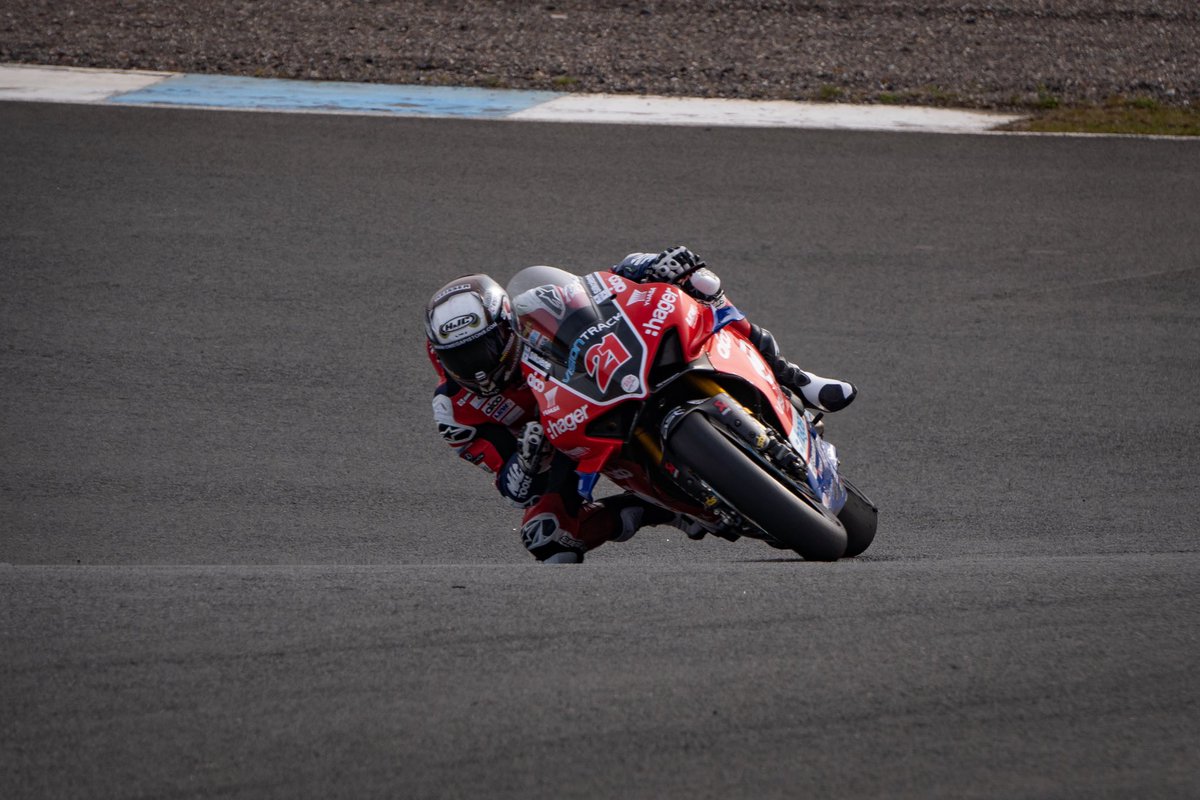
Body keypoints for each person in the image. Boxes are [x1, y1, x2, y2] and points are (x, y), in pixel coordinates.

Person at [424, 247, 856, 563]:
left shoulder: (534, 308)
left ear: (506, 324)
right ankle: (659, 512)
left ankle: (797, 377)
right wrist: (526, 458)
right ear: (438, 357)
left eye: (485, 348)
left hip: (610, 378)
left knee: (700, 285)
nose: (479, 369)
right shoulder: (457, 412)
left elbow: (598, 286)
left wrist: (652, 266)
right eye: (462, 358)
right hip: (569, 441)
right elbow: (513, 488)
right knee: (546, 536)